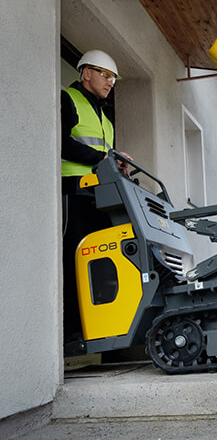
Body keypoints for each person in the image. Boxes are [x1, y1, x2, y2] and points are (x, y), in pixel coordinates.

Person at [61, 49, 130, 344]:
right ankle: (72, 332)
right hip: (73, 194)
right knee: (73, 259)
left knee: (102, 262)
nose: (110, 82)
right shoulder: (67, 99)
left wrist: (116, 161)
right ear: (86, 73)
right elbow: (60, 143)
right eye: (106, 75)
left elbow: (104, 157)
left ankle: (98, 329)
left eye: (113, 78)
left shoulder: (106, 118)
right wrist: (105, 157)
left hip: (98, 197)